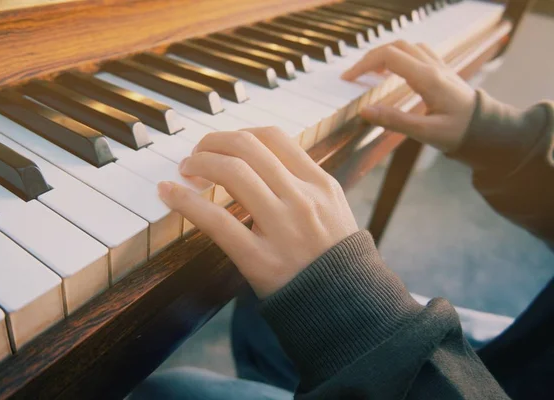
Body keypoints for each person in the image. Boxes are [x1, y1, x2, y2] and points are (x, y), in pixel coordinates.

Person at [130, 40, 554, 399]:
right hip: (523, 356)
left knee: (168, 391)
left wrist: (353, 314)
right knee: (262, 302)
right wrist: (512, 143)